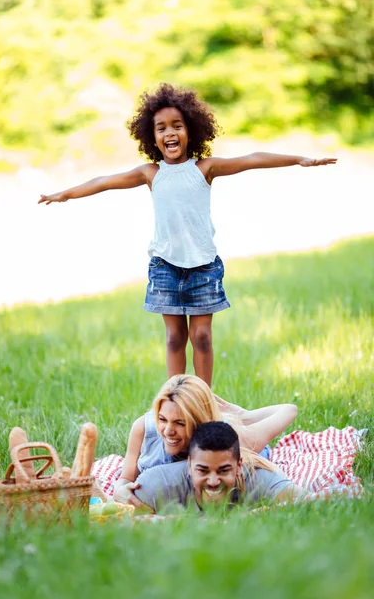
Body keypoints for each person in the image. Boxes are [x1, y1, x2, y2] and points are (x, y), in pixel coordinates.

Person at [39, 83, 337, 386]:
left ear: (190, 131)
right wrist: (66, 194)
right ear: (152, 137)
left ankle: (203, 398)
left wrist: (299, 159)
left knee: (202, 336)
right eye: (161, 128)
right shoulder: (150, 173)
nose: (170, 133)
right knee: (174, 338)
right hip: (165, 266)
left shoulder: (205, 168)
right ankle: (177, 400)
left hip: (203, 267)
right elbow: (103, 181)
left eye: (177, 126)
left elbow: (252, 159)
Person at [110, 374, 298, 505]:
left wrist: (243, 415)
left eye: (179, 423)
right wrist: (120, 489)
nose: (168, 431)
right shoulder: (143, 429)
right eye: (162, 419)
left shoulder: (226, 440)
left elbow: (290, 410)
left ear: (197, 421)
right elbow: (125, 477)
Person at [134, 421, 305, 513]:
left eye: (224, 470)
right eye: (203, 470)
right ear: (189, 465)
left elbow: (309, 503)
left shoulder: (260, 481)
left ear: (238, 466)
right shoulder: (156, 485)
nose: (214, 481)